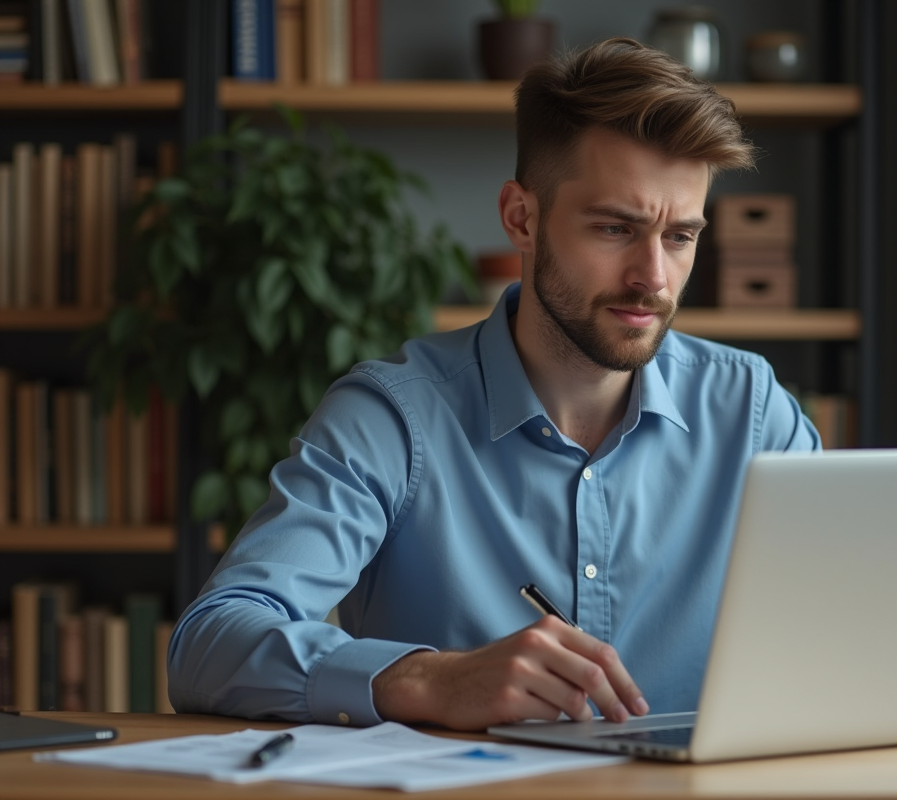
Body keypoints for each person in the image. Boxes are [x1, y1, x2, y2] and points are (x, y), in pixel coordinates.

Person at [168, 37, 820, 731]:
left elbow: (852, 626)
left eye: (679, 237)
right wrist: (432, 679)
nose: (653, 278)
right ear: (522, 218)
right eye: (613, 228)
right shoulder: (395, 418)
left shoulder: (752, 411)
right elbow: (209, 645)